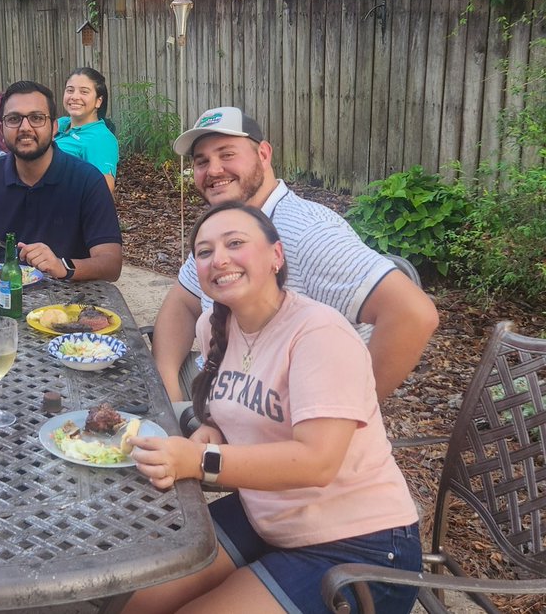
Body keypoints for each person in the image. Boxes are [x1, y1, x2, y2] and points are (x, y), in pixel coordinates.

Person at [124, 202, 421, 614]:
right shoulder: (215, 324)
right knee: (139, 600)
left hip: (355, 544)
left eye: (235, 243)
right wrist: (214, 431)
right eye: (205, 251)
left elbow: (317, 463)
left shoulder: (318, 333)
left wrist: (202, 459)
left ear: (275, 256)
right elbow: (237, 408)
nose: (219, 258)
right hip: (265, 510)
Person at [153, 106, 439, 402]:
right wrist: (168, 390)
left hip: (275, 417)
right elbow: (183, 303)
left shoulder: (307, 232)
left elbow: (413, 313)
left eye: (227, 155)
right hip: (216, 388)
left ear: (263, 155)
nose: (213, 170)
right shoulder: (225, 225)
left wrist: (348, 416)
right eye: (202, 161)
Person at [0, 81, 123, 282]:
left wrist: (63, 265)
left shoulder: (87, 180)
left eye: (37, 118)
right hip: (0, 296)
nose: (25, 127)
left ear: (54, 127)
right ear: (1, 128)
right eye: (14, 119)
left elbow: (111, 264)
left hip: (66, 301)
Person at [55, 66, 119, 192]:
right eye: (70, 90)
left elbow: (103, 191)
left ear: (98, 101)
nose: (74, 96)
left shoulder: (101, 139)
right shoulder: (60, 123)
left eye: (84, 92)